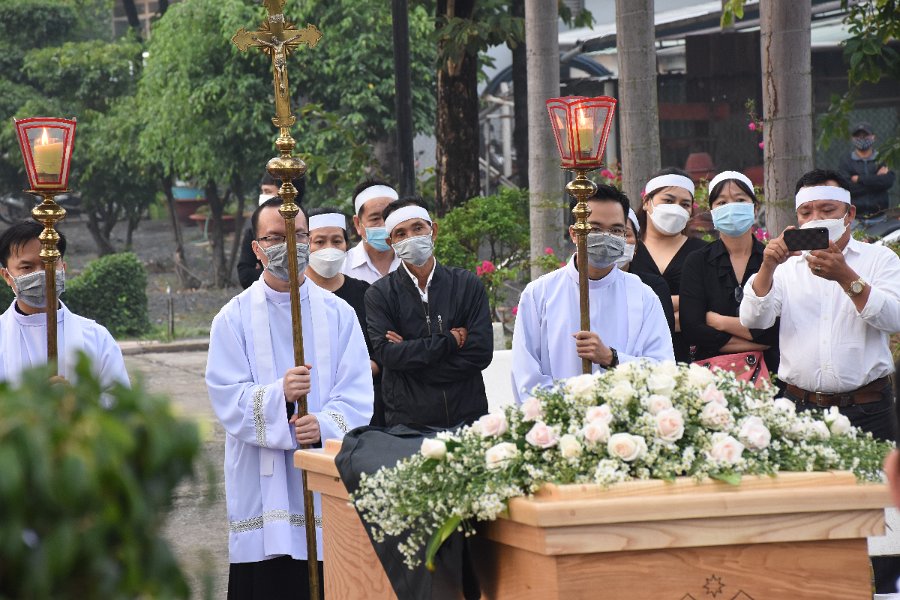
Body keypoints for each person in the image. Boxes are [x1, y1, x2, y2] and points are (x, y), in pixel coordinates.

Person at [206, 197, 373, 598]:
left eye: (299, 235)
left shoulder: (339, 313)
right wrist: (278, 395)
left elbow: (356, 392)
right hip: (262, 481)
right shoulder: (232, 317)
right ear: (256, 248)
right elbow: (226, 395)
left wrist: (324, 425)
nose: (290, 246)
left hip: (322, 472)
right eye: (276, 237)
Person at [739, 169, 900, 442]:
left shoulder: (879, 259)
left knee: (876, 471)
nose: (816, 219)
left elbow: (894, 320)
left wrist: (846, 277)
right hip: (800, 407)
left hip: (869, 407)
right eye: (806, 212)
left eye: (827, 210)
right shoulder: (787, 267)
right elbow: (753, 319)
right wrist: (767, 267)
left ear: (849, 214)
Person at [511, 185, 674, 402]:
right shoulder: (539, 294)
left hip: (625, 418)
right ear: (574, 233)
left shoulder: (643, 296)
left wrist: (611, 357)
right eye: (595, 228)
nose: (606, 237)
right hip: (558, 418)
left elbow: (663, 370)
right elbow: (527, 378)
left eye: (616, 230)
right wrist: (572, 411)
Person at [365, 197, 493, 428]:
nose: (411, 237)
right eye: (401, 233)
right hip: (408, 424)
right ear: (391, 242)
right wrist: (451, 340)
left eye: (418, 228)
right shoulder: (380, 294)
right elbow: (388, 356)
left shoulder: (467, 284)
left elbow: (480, 353)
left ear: (433, 231)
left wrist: (411, 365)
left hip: (468, 419)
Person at [0, 221, 129, 387]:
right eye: (27, 267)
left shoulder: (96, 338)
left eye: (49, 264)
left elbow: (119, 398)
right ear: (7, 276)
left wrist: (72, 400)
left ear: (63, 268)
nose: (42, 274)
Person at [680, 171, 779, 373]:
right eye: (722, 203)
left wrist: (718, 322)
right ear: (712, 211)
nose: (731, 208)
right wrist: (758, 341)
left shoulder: (773, 260)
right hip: (710, 376)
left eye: (740, 200)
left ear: (755, 207)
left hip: (770, 376)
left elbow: (778, 331)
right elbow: (692, 329)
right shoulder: (697, 261)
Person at [305, 207, 386, 426]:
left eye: (337, 241)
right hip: (308, 405)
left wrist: (349, 374)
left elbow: (381, 352)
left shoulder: (366, 293)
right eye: (319, 242)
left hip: (361, 406)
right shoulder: (292, 296)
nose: (329, 249)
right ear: (304, 245)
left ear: (346, 245)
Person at [629, 167, 707, 362]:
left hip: (692, 360)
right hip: (633, 358)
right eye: (668, 201)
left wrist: (647, 309)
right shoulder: (627, 250)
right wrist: (690, 306)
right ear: (646, 202)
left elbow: (712, 304)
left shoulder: (703, 253)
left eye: (685, 204)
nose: (676, 208)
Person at [236, 173, 305, 289]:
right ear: (256, 248)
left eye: (267, 192)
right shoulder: (253, 230)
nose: (263, 196)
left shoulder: (313, 227)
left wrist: (266, 269)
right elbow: (245, 275)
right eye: (274, 238)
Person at [617, 205, 676, 334]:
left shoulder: (653, 287)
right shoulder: (569, 284)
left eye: (625, 234)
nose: (614, 240)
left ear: (636, 246)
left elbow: (661, 336)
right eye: (597, 230)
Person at [341, 180, 401, 284]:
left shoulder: (412, 262)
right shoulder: (342, 268)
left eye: (390, 216)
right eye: (375, 219)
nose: (385, 225)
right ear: (357, 224)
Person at [838, 122, 896, 220]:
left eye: (865, 135)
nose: (862, 138)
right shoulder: (846, 161)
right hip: (854, 218)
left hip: (880, 216)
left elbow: (888, 181)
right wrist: (876, 181)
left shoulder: (883, 158)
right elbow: (846, 187)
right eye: (858, 136)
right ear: (852, 138)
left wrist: (859, 179)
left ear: (873, 137)